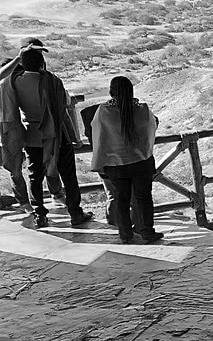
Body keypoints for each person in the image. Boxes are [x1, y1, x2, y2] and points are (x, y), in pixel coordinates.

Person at [0, 42, 91, 229]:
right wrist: (75, 137)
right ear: (42, 64)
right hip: (57, 136)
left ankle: (39, 215)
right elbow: (63, 112)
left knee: (35, 177)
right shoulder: (53, 81)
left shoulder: (14, 82)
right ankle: (75, 213)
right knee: (69, 176)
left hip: (32, 135)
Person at [90, 75, 162, 244]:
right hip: (141, 162)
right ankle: (147, 232)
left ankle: (125, 234)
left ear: (110, 92)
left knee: (121, 198)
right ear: (131, 91)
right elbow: (153, 125)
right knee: (144, 198)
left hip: (116, 165)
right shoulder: (142, 109)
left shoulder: (104, 111)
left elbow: (98, 134)